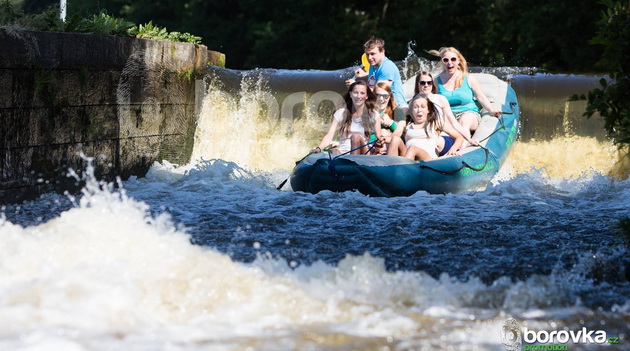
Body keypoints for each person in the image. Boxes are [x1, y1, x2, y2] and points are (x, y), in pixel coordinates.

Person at [429, 47, 501, 137]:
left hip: (468, 113)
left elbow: (481, 97)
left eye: (453, 59)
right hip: (448, 116)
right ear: (442, 62)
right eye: (446, 60)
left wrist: (492, 110)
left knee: (464, 122)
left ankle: (463, 150)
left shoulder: (469, 78)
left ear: (458, 61)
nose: (450, 63)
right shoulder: (436, 81)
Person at [311, 81, 383, 155]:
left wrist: (379, 142)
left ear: (366, 96)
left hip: (364, 153)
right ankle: (344, 163)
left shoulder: (374, 115)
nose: (358, 96)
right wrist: (319, 148)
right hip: (343, 152)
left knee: (355, 137)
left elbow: (379, 139)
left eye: (362, 93)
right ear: (350, 94)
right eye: (355, 92)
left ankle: (352, 163)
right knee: (334, 151)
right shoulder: (340, 113)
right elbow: (329, 135)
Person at [413, 71, 478, 152]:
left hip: (441, 136)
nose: (426, 85)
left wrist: (469, 139)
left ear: (432, 85)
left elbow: (453, 122)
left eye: (429, 83)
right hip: (422, 135)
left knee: (432, 143)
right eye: (422, 83)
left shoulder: (440, 99)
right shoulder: (414, 102)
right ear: (417, 84)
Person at [387, 94, 464, 161]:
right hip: (408, 156)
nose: (419, 110)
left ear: (428, 110)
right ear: (412, 110)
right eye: (415, 107)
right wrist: (383, 139)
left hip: (428, 158)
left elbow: (459, 137)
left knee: (412, 149)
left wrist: (452, 150)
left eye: (423, 107)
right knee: (395, 140)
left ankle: (403, 172)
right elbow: (394, 136)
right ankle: (388, 168)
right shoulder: (405, 124)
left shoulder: (435, 123)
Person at [345, 37, 407, 113]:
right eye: (367, 54)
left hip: (396, 110)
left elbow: (379, 92)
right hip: (383, 107)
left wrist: (355, 86)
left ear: (382, 51)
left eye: (372, 54)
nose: (369, 58)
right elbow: (376, 78)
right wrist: (365, 74)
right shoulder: (373, 64)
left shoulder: (387, 67)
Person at [371, 82, 405, 155]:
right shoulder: (369, 113)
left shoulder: (397, 112)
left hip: (394, 148)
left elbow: (402, 137)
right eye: (377, 95)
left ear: (390, 97)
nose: (381, 99)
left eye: (385, 96)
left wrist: (391, 123)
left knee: (383, 132)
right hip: (372, 148)